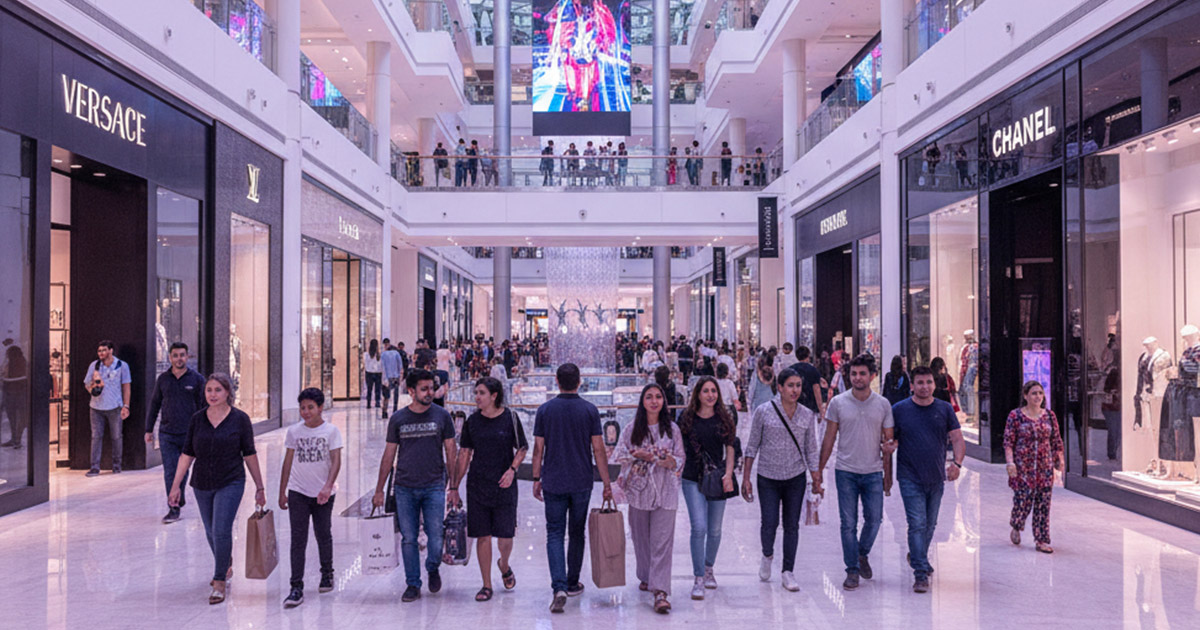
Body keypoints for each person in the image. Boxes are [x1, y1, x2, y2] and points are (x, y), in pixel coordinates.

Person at [168, 373, 266, 605]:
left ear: (228, 393)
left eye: (217, 390)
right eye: (209, 390)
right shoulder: (197, 419)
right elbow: (187, 454)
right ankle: (225, 561)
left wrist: (260, 486)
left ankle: (219, 579)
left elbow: (249, 453)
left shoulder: (240, 419)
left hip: (231, 481)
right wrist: (175, 486)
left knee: (221, 530)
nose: (212, 395)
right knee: (211, 532)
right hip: (202, 483)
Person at [530, 363, 613, 613]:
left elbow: (538, 449)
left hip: (553, 480)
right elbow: (598, 449)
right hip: (581, 481)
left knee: (554, 533)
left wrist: (536, 478)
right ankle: (573, 581)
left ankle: (558, 587)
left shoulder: (545, 411)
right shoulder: (589, 410)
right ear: (580, 382)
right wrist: (607, 482)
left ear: (557, 381)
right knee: (577, 532)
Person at [372, 368, 458, 602]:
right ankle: (412, 583)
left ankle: (432, 567)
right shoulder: (398, 419)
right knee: (408, 538)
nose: (430, 392)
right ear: (411, 391)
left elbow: (451, 451)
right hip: (404, 487)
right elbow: (389, 454)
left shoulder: (442, 416)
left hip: (434, 485)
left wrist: (454, 486)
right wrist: (379, 489)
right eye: (424, 389)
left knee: (436, 536)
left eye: (432, 388)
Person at [816, 354, 895, 591]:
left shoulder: (883, 405)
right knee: (848, 523)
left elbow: (888, 443)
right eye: (853, 374)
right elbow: (829, 438)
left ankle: (862, 554)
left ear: (872, 376)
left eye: (862, 374)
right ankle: (852, 570)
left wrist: (888, 477)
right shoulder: (838, 403)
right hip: (846, 471)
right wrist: (818, 471)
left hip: (872, 472)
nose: (857, 378)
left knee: (874, 519)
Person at [742, 368, 821, 592]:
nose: (795, 390)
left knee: (791, 525)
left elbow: (811, 450)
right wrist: (746, 478)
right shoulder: (764, 411)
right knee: (769, 522)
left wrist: (816, 478)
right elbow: (751, 446)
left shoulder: (806, 414)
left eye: (798, 385)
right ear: (779, 387)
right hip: (767, 477)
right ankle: (767, 555)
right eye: (790, 385)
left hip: (795, 477)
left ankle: (788, 571)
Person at [452, 377, 528, 602]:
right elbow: (464, 453)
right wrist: (455, 486)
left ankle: (504, 564)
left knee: (505, 536)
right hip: (478, 485)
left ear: (494, 396)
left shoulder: (510, 418)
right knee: (482, 536)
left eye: (481, 393)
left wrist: (513, 469)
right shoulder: (472, 422)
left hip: (504, 484)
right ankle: (486, 584)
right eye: (476, 392)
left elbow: (522, 447)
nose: (476, 397)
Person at [891, 366, 965, 593]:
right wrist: (888, 447)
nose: (924, 387)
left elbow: (957, 438)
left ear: (934, 384)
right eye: (920, 382)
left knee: (930, 524)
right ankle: (920, 571)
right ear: (912, 385)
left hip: (935, 476)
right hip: (909, 475)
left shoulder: (944, 409)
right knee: (917, 523)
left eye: (928, 382)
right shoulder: (899, 409)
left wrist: (957, 464)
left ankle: (916, 555)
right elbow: (890, 439)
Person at [613, 384, 685, 614]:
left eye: (658, 397)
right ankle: (646, 575)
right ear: (642, 401)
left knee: (662, 542)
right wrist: (637, 456)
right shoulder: (632, 429)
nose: (654, 401)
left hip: (666, 492)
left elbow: (680, 458)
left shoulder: (672, 430)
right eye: (649, 397)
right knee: (641, 540)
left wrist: (659, 458)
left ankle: (661, 591)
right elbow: (620, 455)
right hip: (638, 493)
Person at [279, 388, 343, 608]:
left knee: (323, 534)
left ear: (320, 407)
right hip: (298, 492)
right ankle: (296, 586)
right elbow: (287, 463)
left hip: (323, 494)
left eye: (310, 408)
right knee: (298, 539)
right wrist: (282, 492)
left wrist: (327, 487)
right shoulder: (294, 432)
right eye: (302, 408)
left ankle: (327, 573)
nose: (305, 412)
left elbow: (336, 461)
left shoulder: (331, 431)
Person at [678, 376, 736, 601]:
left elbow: (730, 447)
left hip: (717, 479)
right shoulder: (687, 418)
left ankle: (709, 567)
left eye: (714, 391)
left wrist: (729, 474)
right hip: (692, 478)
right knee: (699, 527)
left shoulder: (724, 418)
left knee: (715, 530)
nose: (710, 395)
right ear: (698, 394)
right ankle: (698, 577)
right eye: (706, 391)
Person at [145, 342, 206, 523]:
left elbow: (204, 408)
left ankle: (177, 494)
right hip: (167, 434)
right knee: (171, 470)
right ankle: (174, 507)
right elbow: (154, 404)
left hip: (189, 434)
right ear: (170, 358)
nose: (179, 359)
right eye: (175, 355)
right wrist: (149, 430)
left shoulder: (197, 380)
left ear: (187, 357)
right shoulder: (163, 379)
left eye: (182, 355)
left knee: (183, 470)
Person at [1004, 380, 1063, 554]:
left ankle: (1042, 539)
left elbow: (1057, 442)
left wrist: (1060, 462)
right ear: (1025, 396)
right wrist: (1010, 462)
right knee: (1023, 501)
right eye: (1034, 393)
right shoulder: (1016, 416)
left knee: (1043, 504)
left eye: (1040, 393)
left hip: (1045, 467)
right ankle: (1017, 523)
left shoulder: (1049, 416)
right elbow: (1008, 441)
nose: (1038, 397)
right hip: (1023, 468)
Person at [84, 340, 132, 477]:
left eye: (104, 350)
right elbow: (86, 383)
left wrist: (126, 406)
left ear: (111, 350)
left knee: (116, 436)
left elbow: (126, 387)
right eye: (99, 351)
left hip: (115, 406)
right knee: (96, 436)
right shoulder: (94, 365)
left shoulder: (121, 366)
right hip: (96, 407)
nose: (101, 353)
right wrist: (94, 387)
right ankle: (94, 467)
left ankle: (117, 465)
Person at [792, 346, 825, 417]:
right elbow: (816, 389)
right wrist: (821, 409)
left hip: (795, 406)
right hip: (810, 406)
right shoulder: (813, 370)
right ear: (808, 355)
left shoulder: (791, 369)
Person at [381, 339, 404, 418]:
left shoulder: (383, 355)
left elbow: (382, 367)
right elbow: (400, 366)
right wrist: (400, 376)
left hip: (387, 377)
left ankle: (385, 411)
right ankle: (395, 409)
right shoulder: (397, 353)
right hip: (395, 376)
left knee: (386, 396)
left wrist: (384, 378)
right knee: (396, 394)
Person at [364, 339, 383, 409]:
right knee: (377, 389)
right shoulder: (379, 355)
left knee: (369, 389)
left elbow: (365, 363)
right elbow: (381, 364)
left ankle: (368, 403)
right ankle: (377, 402)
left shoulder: (366, 354)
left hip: (369, 373)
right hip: (378, 373)